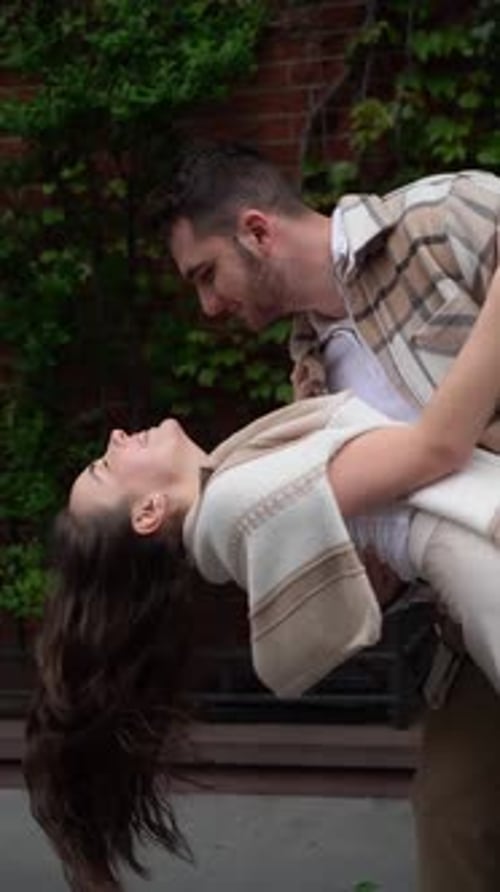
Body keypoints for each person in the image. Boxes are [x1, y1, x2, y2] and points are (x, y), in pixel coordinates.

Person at [25, 272, 500, 891]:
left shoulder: (239, 492)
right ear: (147, 513)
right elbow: (435, 447)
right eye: (104, 466)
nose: (114, 437)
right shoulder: (237, 504)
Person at [155, 143, 500, 892]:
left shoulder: (433, 218)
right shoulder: (310, 380)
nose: (208, 307)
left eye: (206, 275)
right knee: (452, 820)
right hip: (470, 623)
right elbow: (383, 569)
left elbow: (439, 448)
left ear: (256, 231)